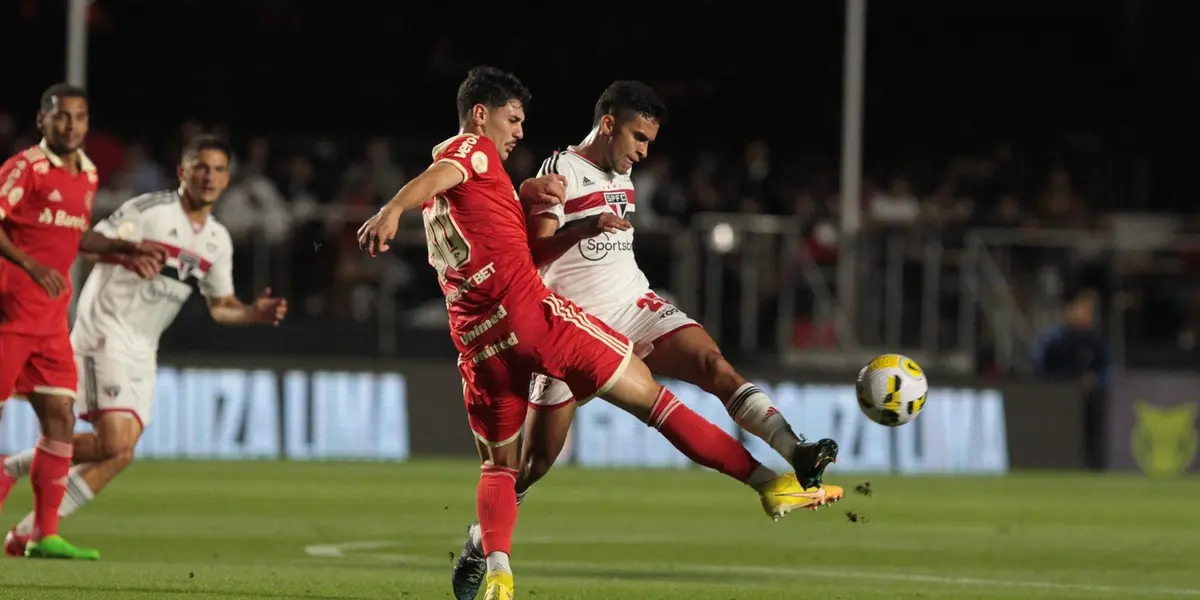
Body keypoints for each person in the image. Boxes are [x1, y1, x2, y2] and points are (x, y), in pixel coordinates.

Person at [357, 66, 841, 600]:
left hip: (535, 326)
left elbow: (481, 219)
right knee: (536, 464)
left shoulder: (615, 179)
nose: (643, 152)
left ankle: (791, 458)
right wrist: (394, 208)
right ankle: (482, 543)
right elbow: (524, 246)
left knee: (710, 367)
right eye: (638, 137)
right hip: (553, 320)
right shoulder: (534, 166)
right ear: (608, 125)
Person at [0, 134, 288, 556]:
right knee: (115, 441)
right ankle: (12, 473)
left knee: (120, 453)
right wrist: (126, 253)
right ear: (182, 171)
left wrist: (251, 313)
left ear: (227, 180)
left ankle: (28, 530)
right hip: (105, 331)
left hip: (142, 348)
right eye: (200, 166)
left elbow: (221, 306)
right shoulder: (149, 211)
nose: (208, 176)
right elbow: (84, 241)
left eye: (218, 169)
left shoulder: (216, 241)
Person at [0, 83, 166, 559]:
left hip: (52, 322)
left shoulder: (87, 174)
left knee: (60, 420)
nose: (70, 125)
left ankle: (43, 533)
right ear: (42, 121)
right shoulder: (26, 168)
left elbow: (75, 236)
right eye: (61, 117)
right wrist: (29, 265)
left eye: (79, 117)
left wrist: (125, 248)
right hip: (10, 312)